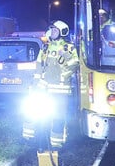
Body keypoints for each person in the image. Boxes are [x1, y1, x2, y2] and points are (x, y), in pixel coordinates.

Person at [23, 20, 79, 150]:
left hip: (60, 90)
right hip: (43, 89)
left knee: (58, 117)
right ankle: (30, 139)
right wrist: (35, 82)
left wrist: (63, 55)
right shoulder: (45, 47)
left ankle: (56, 144)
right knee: (33, 113)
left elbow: (75, 64)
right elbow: (38, 65)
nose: (52, 32)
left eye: (55, 30)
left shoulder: (68, 47)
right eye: (52, 30)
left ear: (62, 32)